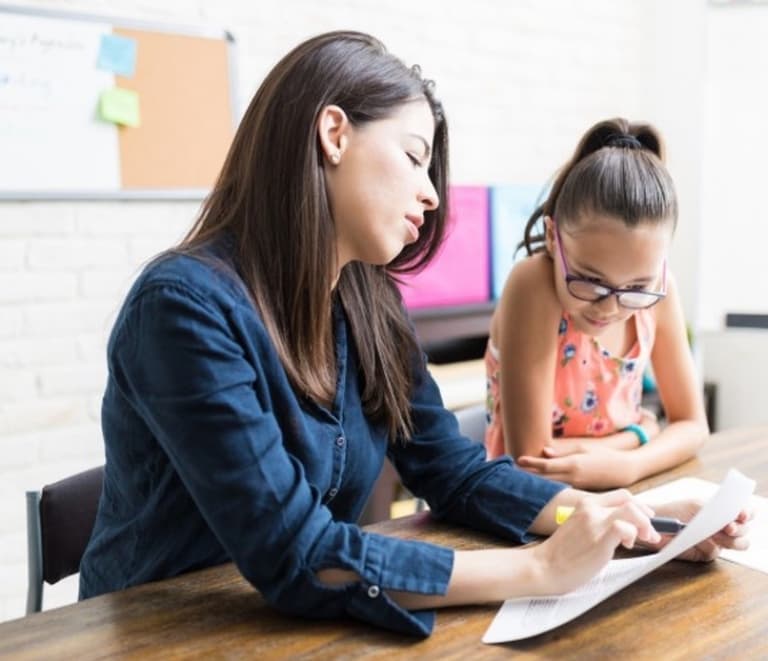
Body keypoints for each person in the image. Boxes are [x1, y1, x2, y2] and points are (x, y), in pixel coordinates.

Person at [79, 33, 748, 637]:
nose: (431, 194)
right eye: (414, 157)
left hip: (292, 629)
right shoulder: (183, 309)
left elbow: (451, 471)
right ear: (333, 134)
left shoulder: (367, 300)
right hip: (160, 633)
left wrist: (626, 518)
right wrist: (540, 570)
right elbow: (299, 554)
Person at [485, 118, 709, 490]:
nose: (610, 308)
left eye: (637, 285)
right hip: (534, 507)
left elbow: (693, 426)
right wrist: (642, 432)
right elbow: (533, 460)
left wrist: (629, 466)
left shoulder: (661, 291)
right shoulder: (533, 284)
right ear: (554, 237)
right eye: (589, 281)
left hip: (625, 493)